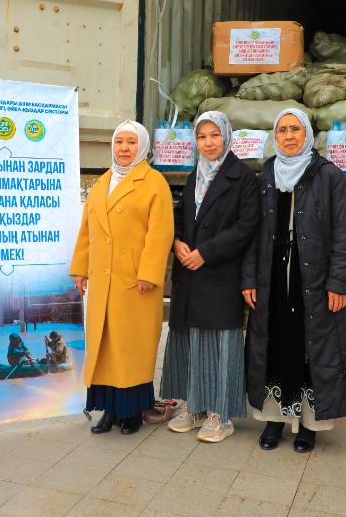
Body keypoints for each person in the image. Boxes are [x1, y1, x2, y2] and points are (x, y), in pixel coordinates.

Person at [243, 108, 346, 453]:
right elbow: (252, 233)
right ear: (274, 137)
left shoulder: (328, 176)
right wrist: (249, 278)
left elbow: (343, 235)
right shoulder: (265, 175)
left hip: (313, 276)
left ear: (307, 134)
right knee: (274, 342)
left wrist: (338, 283)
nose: (289, 136)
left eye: (295, 129)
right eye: (282, 130)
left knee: (310, 347)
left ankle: (309, 426)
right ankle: (274, 421)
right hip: (272, 275)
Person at [70, 120, 174, 435]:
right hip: (103, 281)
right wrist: (80, 267)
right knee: (104, 347)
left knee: (130, 349)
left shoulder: (154, 182)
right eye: (119, 142)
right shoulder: (102, 183)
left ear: (141, 146)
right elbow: (87, 230)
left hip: (135, 282)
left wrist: (149, 274)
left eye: (131, 142)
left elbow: (161, 233)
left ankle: (132, 412)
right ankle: (109, 411)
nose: (124, 148)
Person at [161, 111, 259, 443]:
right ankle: (195, 405)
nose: (208, 142)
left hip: (219, 271)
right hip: (191, 273)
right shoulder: (195, 176)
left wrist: (206, 252)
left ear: (227, 136)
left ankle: (221, 413)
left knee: (220, 343)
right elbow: (182, 216)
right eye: (202, 137)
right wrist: (177, 243)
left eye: (214, 135)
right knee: (192, 340)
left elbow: (246, 226)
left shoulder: (243, 177)